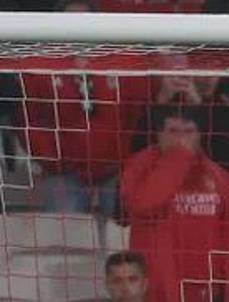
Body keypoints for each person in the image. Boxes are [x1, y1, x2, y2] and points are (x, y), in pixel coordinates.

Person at [119, 106, 229, 302]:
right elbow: (142, 204)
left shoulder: (219, 178)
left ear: (200, 135)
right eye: (173, 131)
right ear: (159, 135)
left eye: (188, 132)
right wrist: (179, 159)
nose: (181, 140)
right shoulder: (140, 168)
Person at [20, 0, 149, 216]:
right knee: (64, 230)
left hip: (116, 169)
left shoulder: (121, 63)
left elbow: (135, 115)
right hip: (63, 173)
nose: (78, 26)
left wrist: (121, 157)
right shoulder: (39, 65)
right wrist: (55, 162)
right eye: (71, 20)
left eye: (84, 20)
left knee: (128, 222)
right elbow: (30, 120)